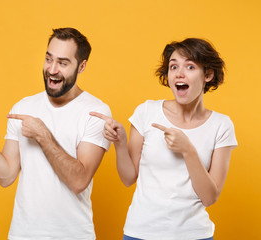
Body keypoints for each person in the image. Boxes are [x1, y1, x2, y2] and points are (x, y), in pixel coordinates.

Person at [0, 28, 111, 240]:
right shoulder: (24, 107)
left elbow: (79, 181)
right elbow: (5, 176)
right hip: (23, 235)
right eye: (48, 59)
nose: (52, 69)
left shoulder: (96, 112)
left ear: (82, 66)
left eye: (62, 62)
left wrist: (43, 135)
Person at [91, 38, 237, 240]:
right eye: (173, 66)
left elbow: (209, 197)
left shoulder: (221, 125)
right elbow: (128, 178)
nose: (179, 73)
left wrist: (188, 150)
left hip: (194, 235)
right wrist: (120, 143)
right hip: (140, 233)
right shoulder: (147, 112)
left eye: (190, 66)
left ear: (208, 75)